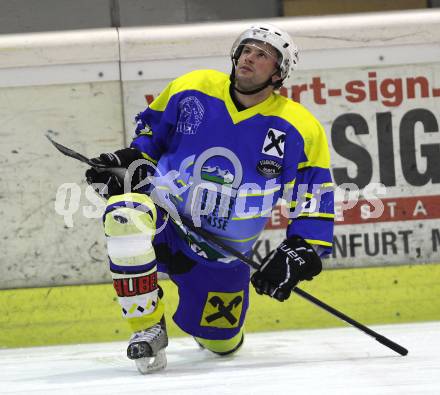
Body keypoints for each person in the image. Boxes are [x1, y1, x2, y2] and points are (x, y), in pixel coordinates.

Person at [86, 23, 334, 374]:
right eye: (246, 49)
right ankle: (148, 327)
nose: (250, 57)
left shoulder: (298, 127)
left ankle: (219, 335)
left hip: (220, 255)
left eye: (263, 55)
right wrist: (130, 164)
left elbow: (313, 194)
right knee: (123, 214)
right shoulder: (193, 88)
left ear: (279, 73)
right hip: (167, 220)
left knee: (222, 343)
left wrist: (304, 249)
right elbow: (149, 136)